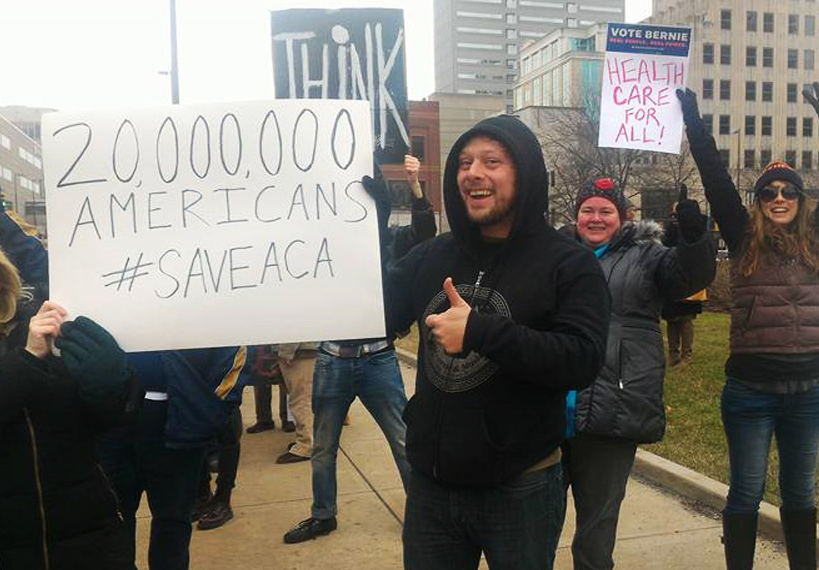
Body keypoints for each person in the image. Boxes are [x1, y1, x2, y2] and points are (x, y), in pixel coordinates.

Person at [0, 181, 251, 570]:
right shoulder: (97, 264)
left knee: (173, 520)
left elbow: (236, 344)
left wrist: (213, 408)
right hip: (109, 420)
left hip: (177, 425)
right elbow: (35, 256)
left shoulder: (209, 271)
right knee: (113, 518)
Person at [384, 116, 611, 570]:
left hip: (520, 486)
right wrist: (359, 221)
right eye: (464, 162)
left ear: (523, 173)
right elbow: (370, 314)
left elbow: (580, 359)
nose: (473, 172)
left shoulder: (568, 264)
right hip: (431, 487)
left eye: (492, 161)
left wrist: (481, 332)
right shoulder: (432, 256)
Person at [678, 83, 819, 570]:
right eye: (769, 192)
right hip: (750, 392)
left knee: (800, 493)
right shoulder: (741, 237)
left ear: (800, 198)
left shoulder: (818, 237)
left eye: (788, 191)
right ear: (759, 201)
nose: (779, 197)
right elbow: (713, 176)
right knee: (746, 491)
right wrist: (693, 118)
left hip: (807, 392)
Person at [0, 221, 135, 570]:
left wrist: (109, 384)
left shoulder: (46, 330)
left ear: (0, 281)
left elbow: (103, 422)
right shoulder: (34, 344)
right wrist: (27, 360)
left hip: (91, 535)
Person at [283, 153, 437, 544]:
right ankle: (323, 514)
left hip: (379, 359)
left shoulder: (391, 244)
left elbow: (424, 233)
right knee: (323, 447)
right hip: (333, 358)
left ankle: (423, 513)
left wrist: (414, 187)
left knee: (403, 442)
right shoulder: (323, 246)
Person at [565, 178, 716, 570]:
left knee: (597, 527)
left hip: (610, 407)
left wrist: (695, 237)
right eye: (587, 209)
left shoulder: (647, 256)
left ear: (623, 217)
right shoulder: (556, 254)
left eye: (605, 210)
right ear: (575, 215)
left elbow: (689, 276)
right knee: (537, 519)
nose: (595, 218)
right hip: (550, 409)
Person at [662, 196, 708, 367]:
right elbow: (665, 245)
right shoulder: (671, 229)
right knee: (671, 318)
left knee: (686, 319)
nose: (675, 217)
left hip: (688, 279)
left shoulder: (695, 229)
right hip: (671, 278)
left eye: (678, 213)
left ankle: (686, 355)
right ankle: (672, 354)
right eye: (672, 214)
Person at [275, 342, 318, 464]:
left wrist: (286, 352)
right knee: (306, 398)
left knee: (301, 400)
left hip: (299, 352)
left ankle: (306, 446)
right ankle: (310, 439)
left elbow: (292, 327)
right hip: (306, 349)